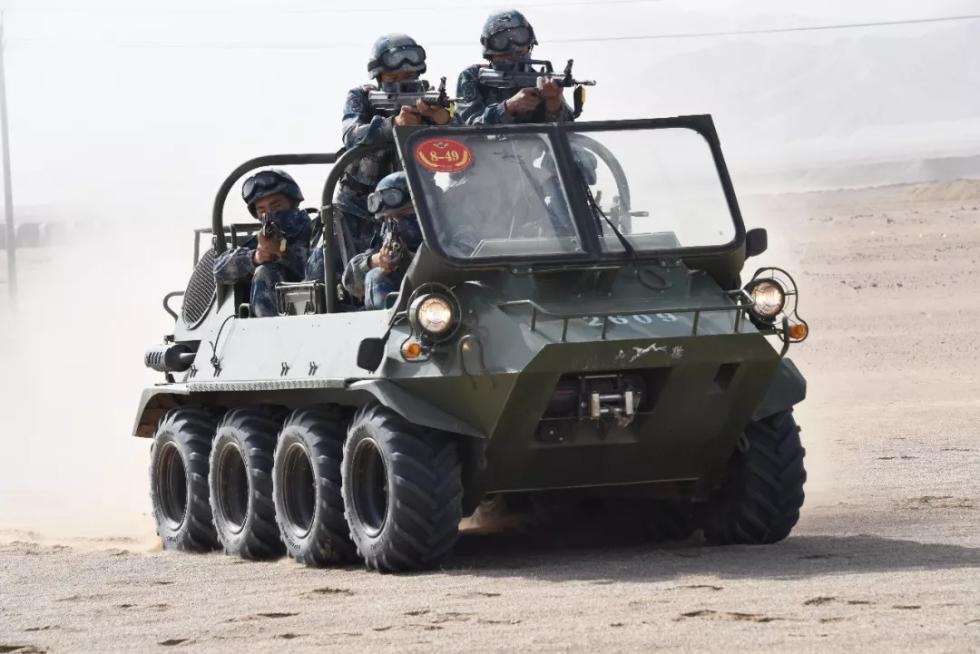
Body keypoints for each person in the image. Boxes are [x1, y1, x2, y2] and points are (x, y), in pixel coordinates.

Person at [305, 33, 450, 286]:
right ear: (379, 77)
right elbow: (351, 134)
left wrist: (440, 119)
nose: (402, 82)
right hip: (356, 209)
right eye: (393, 77)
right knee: (321, 276)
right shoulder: (362, 97)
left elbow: (461, 141)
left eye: (409, 75)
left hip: (408, 209)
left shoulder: (429, 99)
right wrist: (393, 124)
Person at [214, 169, 311, 317]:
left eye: (276, 205)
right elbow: (219, 270)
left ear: (292, 202)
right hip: (274, 323)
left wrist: (284, 254)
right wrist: (256, 257)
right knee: (265, 271)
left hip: (312, 313)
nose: (269, 214)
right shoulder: (264, 238)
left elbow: (320, 272)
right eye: (262, 210)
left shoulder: (316, 230)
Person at [456, 10, 576, 126]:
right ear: (490, 53)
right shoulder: (472, 77)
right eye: (504, 53)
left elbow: (566, 131)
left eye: (519, 52)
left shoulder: (542, 80)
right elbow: (469, 126)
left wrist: (553, 103)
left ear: (529, 46)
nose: (513, 53)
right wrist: (508, 107)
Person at [342, 172, 423, 310]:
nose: (397, 223)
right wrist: (375, 261)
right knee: (376, 276)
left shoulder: (448, 236)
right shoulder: (390, 241)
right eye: (389, 219)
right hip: (407, 315)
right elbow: (349, 280)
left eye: (403, 215)